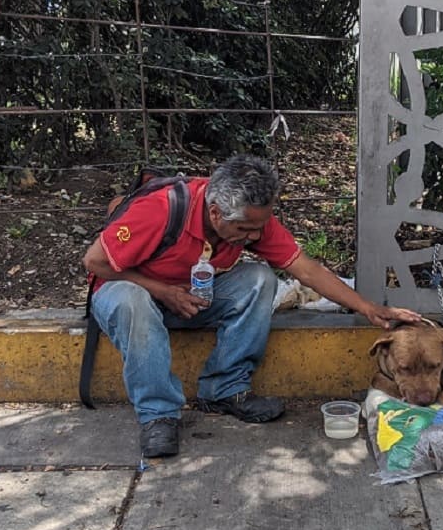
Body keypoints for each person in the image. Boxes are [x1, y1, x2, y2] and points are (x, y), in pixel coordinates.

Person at [81, 154, 422, 458]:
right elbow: (95, 262)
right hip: (125, 290)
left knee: (260, 279)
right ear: (215, 213)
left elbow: (305, 270)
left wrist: (368, 308)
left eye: (259, 227)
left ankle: (224, 389)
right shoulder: (160, 209)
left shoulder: (253, 221)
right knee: (133, 300)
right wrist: (164, 291)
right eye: (245, 229)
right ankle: (158, 416)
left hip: (189, 294)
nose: (255, 237)